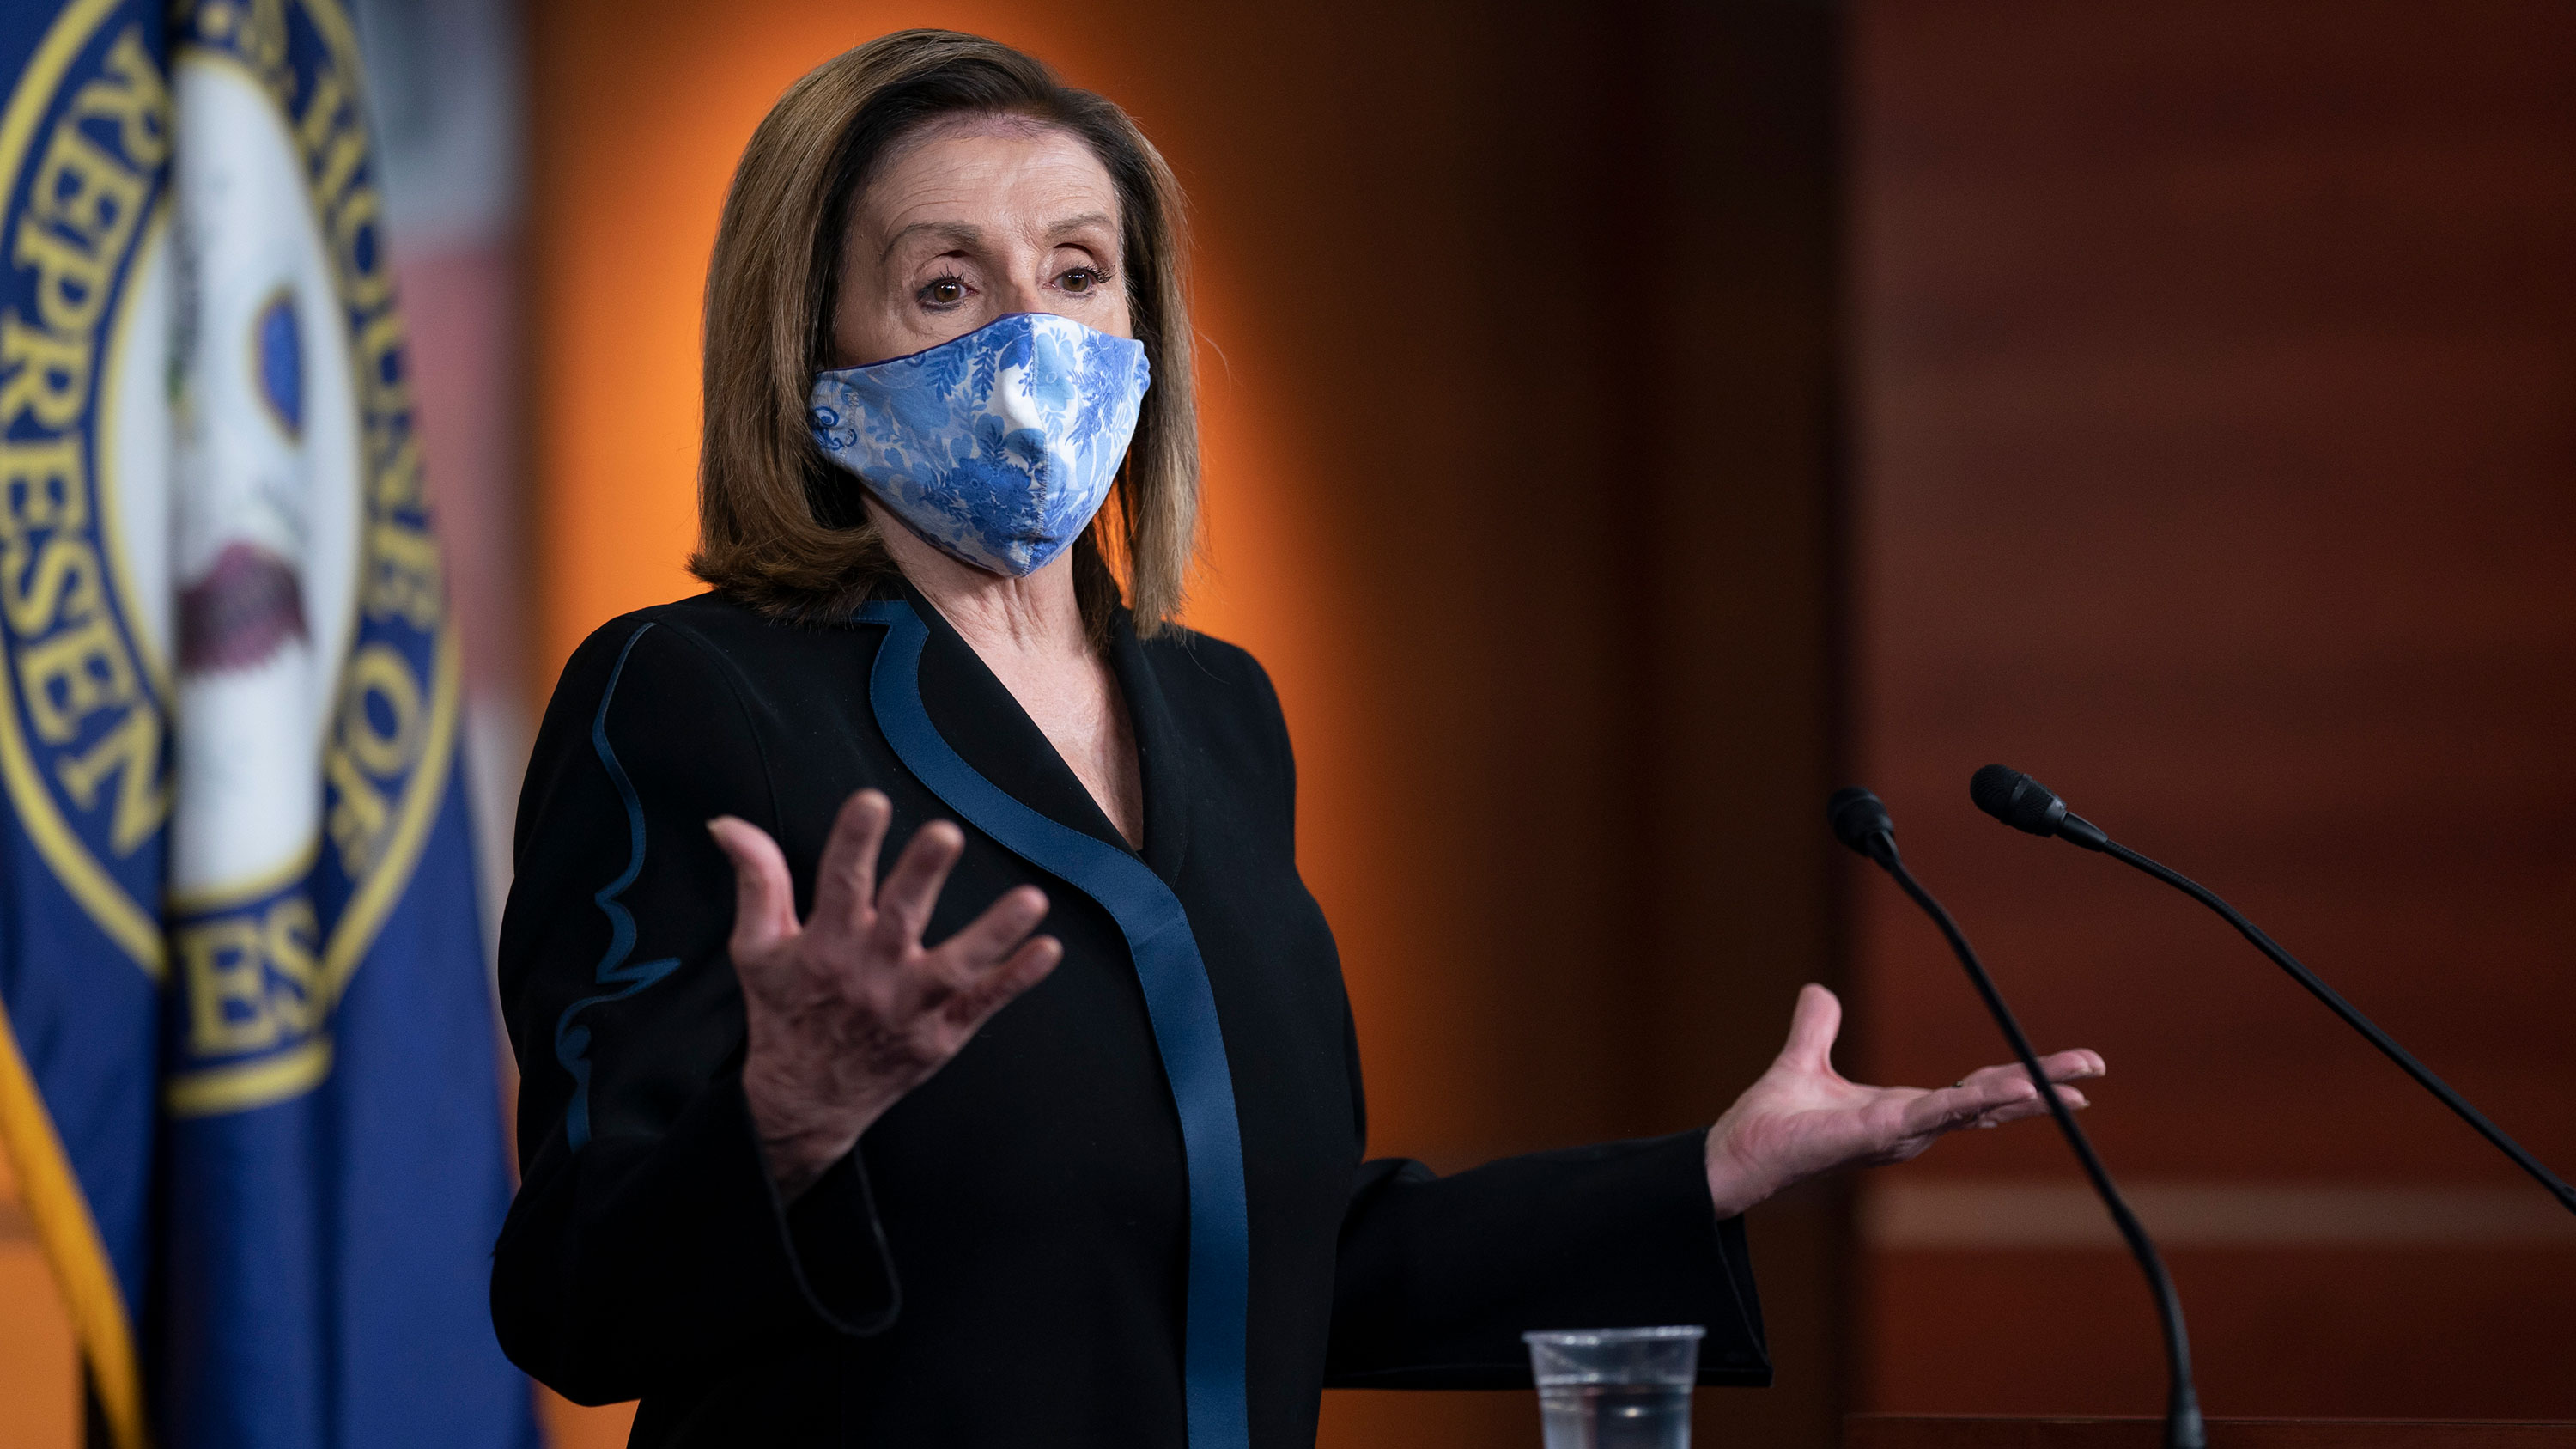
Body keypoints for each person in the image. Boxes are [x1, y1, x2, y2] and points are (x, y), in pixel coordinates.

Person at [490, 29, 2105, 1448]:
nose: (1030, 338)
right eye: (942, 284)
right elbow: (570, 1298)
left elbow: (1269, 1256)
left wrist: (1702, 1178)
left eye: (1076, 270)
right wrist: (786, 1116)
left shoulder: (1218, 712)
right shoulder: (692, 698)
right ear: (812, 343)